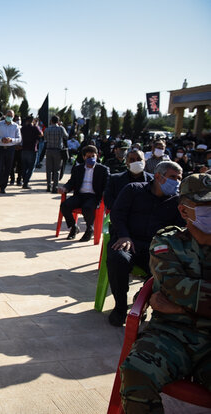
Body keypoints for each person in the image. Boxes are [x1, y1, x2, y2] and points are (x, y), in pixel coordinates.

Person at [119, 173, 211, 413]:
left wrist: (178, 306)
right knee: (136, 370)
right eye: (204, 205)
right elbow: (174, 286)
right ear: (184, 211)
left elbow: (178, 295)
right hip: (171, 334)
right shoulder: (168, 241)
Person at [107, 161, 185, 326]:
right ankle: (120, 307)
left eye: (179, 178)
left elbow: (180, 229)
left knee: (169, 267)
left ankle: (141, 302)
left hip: (156, 248)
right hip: (129, 241)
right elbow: (117, 214)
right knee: (118, 259)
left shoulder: (177, 202)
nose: (177, 182)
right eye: (173, 177)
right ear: (158, 176)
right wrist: (123, 235)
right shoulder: (133, 190)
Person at [58, 145, 109, 242]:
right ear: (84, 157)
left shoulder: (103, 169)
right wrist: (64, 188)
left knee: (88, 208)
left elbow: (107, 184)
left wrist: (105, 193)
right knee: (65, 205)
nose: (91, 158)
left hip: (94, 196)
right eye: (88, 157)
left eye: (93, 156)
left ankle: (89, 229)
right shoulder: (78, 169)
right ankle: (74, 227)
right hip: (80, 195)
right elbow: (71, 182)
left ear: (97, 156)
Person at [0, 109, 21, 194]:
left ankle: (3, 186)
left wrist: (11, 140)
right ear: (5, 115)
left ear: (13, 117)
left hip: (10, 149)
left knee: (8, 168)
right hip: (0, 148)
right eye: (8, 115)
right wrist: (1, 140)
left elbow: (19, 139)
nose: (9, 117)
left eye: (11, 116)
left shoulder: (15, 126)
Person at [45, 115, 69, 193]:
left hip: (49, 150)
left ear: (51, 121)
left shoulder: (47, 129)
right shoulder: (61, 129)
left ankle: (48, 186)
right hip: (58, 151)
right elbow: (66, 136)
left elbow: (45, 139)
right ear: (58, 121)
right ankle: (55, 186)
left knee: (48, 169)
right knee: (57, 170)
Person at [20, 115, 43, 189]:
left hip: (24, 149)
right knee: (31, 167)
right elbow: (41, 134)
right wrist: (37, 126)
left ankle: (24, 180)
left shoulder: (23, 128)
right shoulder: (35, 128)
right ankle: (26, 183)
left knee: (24, 167)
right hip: (32, 149)